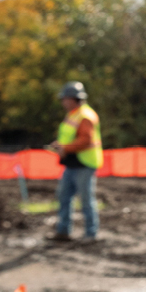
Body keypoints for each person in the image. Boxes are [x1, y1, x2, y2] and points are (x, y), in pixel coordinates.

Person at [49, 81, 102, 242]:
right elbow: (70, 136)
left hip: (84, 163)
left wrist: (65, 147)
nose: (63, 102)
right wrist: (60, 146)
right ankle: (63, 231)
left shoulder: (85, 116)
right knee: (64, 197)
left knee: (86, 200)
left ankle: (91, 233)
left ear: (73, 98)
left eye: (65, 98)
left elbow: (85, 140)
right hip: (72, 163)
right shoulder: (73, 114)